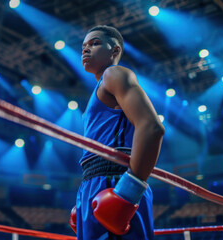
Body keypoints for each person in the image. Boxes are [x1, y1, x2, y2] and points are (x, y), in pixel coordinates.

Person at [69, 25, 165, 239]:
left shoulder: (114, 74)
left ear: (115, 51)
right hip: (94, 183)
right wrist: (84, 196)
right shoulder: (97, 93)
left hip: (114, 181)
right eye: (83, 46)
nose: (85, 49)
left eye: (94, 43)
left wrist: (127, 194)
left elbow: (152, 127)